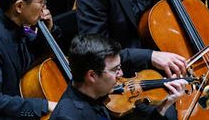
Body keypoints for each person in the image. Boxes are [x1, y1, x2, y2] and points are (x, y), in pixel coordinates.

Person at [50, 33, 185, 120]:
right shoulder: (69, 116)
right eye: (115, 70)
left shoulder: (96, 91)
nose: (121, 74)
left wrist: (163, 107)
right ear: (92, 75)